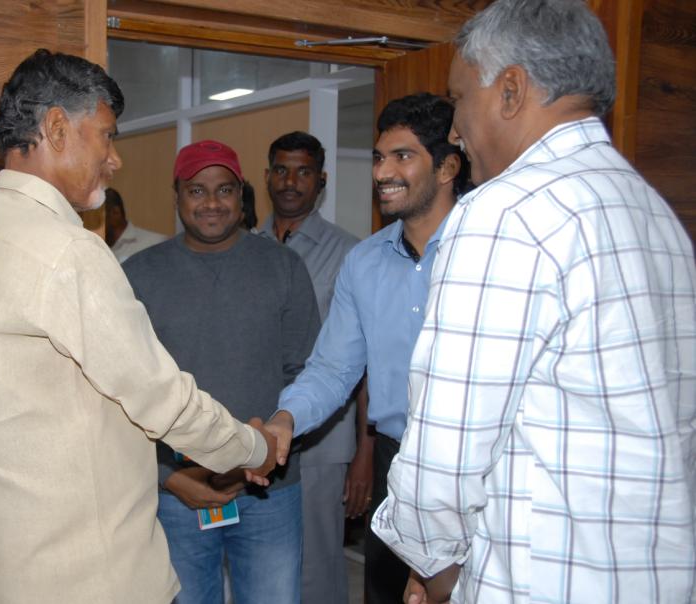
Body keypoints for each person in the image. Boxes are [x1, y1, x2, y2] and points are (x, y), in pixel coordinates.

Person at [370, 1, 696, 602]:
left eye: (460, 99)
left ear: (512, 89)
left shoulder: (505, 213)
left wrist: (431, 564)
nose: (458, 132)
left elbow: (448, 440)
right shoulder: (655, 213)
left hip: (543, 577)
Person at [0, 50, 277, 604]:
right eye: (107, 137)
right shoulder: (67, 252)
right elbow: (164, 400)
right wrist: (255, 448)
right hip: (86, 576)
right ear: (57, 128)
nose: (114, 161)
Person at [264, 95, 470, 604]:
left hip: (477, 469)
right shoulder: (365, 262)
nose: (383, 172)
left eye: (403, 156)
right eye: (379, 157)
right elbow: (334, 368)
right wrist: (285, 420)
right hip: (396, 466)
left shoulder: (490, 247)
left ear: (447, 166)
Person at [123, 139, 320, 604]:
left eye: (224, 190)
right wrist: (164, 476)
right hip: (177, 494)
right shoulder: (138, 275)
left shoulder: (283, 267)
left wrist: (263, 454)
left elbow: (306, 374)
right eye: (197, 191)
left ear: (242, 194)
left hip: (268, 490)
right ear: (177, 195)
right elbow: (123, 393)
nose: (211, 203)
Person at [257, 130, 368, 604]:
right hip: (258, 428)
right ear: (267, 177)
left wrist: (365, 450)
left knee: (317, 565)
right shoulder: (246, 246)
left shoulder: (351, 254)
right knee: (261, 558)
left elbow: (363, 362)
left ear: (321, 180)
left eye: (303, 171)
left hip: (324, 440)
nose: (290, 181)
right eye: (281, 169)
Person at [104, 186, 167, 262]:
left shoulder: (156, 243)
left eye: (96, 217)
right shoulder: (93, 248)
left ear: (116, 212)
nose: (90, 223)